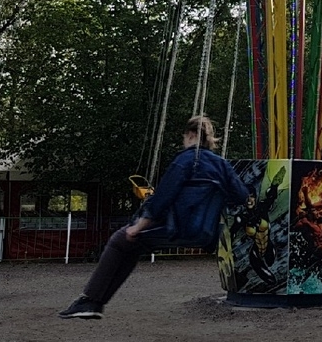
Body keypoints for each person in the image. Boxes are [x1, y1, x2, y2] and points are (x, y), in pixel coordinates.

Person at [58, 115, 247, 319]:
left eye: (184, 138)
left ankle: (90, 301)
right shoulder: (222, 165)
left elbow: (161, 200)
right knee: (132, 247)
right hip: (207, 234)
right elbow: (242, 196)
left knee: (120, 239)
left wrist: (138, 227)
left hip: (179, 228)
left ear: (191, 136)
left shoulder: (184, 161)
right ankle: (93, 303)